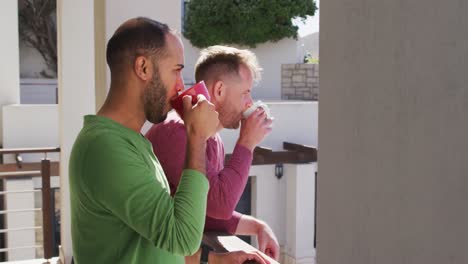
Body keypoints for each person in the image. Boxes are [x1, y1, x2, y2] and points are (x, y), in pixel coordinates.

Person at [69, 18, 268, 264]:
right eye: (176, 70)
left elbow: (161, 235)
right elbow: (181, 237)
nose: (181, 86)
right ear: (143, 68)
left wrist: (215, 260)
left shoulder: (133, 142)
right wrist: (196, 137)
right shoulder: (105, 148)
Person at [146, 45, 280, 262]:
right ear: (219, 90)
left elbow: (205, 211)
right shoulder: (177, 132)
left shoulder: (213, 139)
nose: (250, 102)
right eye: (245, 92)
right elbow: (220, 204)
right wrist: (246, 143)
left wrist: (258, 227)